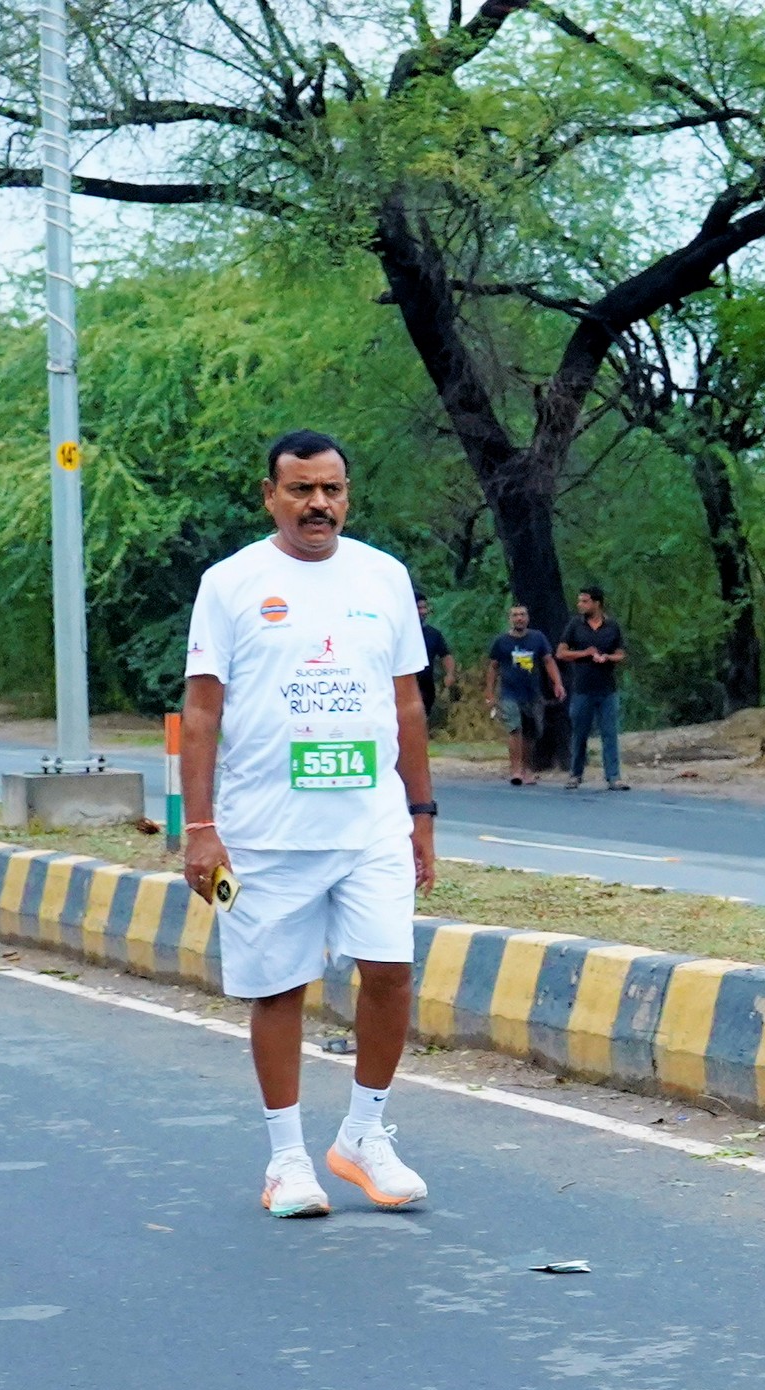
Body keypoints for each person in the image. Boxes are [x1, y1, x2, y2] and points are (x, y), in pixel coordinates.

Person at [177, 430, 438, 1220]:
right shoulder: (231, 583)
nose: (318, 504)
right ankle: (286, 1159)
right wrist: (199, 827)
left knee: (389, 970)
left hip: (371, 825)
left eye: (331, 489)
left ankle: (363, 1135)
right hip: (266, 830)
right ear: (271, 496)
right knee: (278, 987)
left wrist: (421, 813)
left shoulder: (384, 576)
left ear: (347, 496)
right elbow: (201, 712)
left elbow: (407, 704)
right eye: (301, 490)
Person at [555, 584, 629, 791]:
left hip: (607, 690)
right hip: (582, 689)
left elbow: (621, 654)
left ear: (597, 603)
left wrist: (607, 658)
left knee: (609, 733)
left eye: (585, 601)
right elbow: (561, 653)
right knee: (580, 733)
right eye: (580, 601)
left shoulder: (612, 626)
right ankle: (575, 774)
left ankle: (613, 776)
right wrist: (584, 653)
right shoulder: (575, 625)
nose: (580, 605)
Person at [487, 602, 558, 786]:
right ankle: (515, 770)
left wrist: (558, 683)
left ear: (527, 618)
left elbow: (548, 661)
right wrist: (490, 693)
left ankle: (527, 768)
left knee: (531, 732)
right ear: (510, 619)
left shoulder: (537, 638)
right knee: (515, 729)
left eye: (522, 615)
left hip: (532, 693)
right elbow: (493, 667)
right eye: (515, 615)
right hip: (509, 693)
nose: (519, 618)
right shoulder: (501, 641)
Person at [414, 592, 457, 735]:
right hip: (405, 683)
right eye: (418, 608)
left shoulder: (433, 634)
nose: (423, 612)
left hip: (426, 684)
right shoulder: (399, 633)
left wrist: (449, 674)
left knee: (422, 719)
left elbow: (446, 655)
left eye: (424, 608)